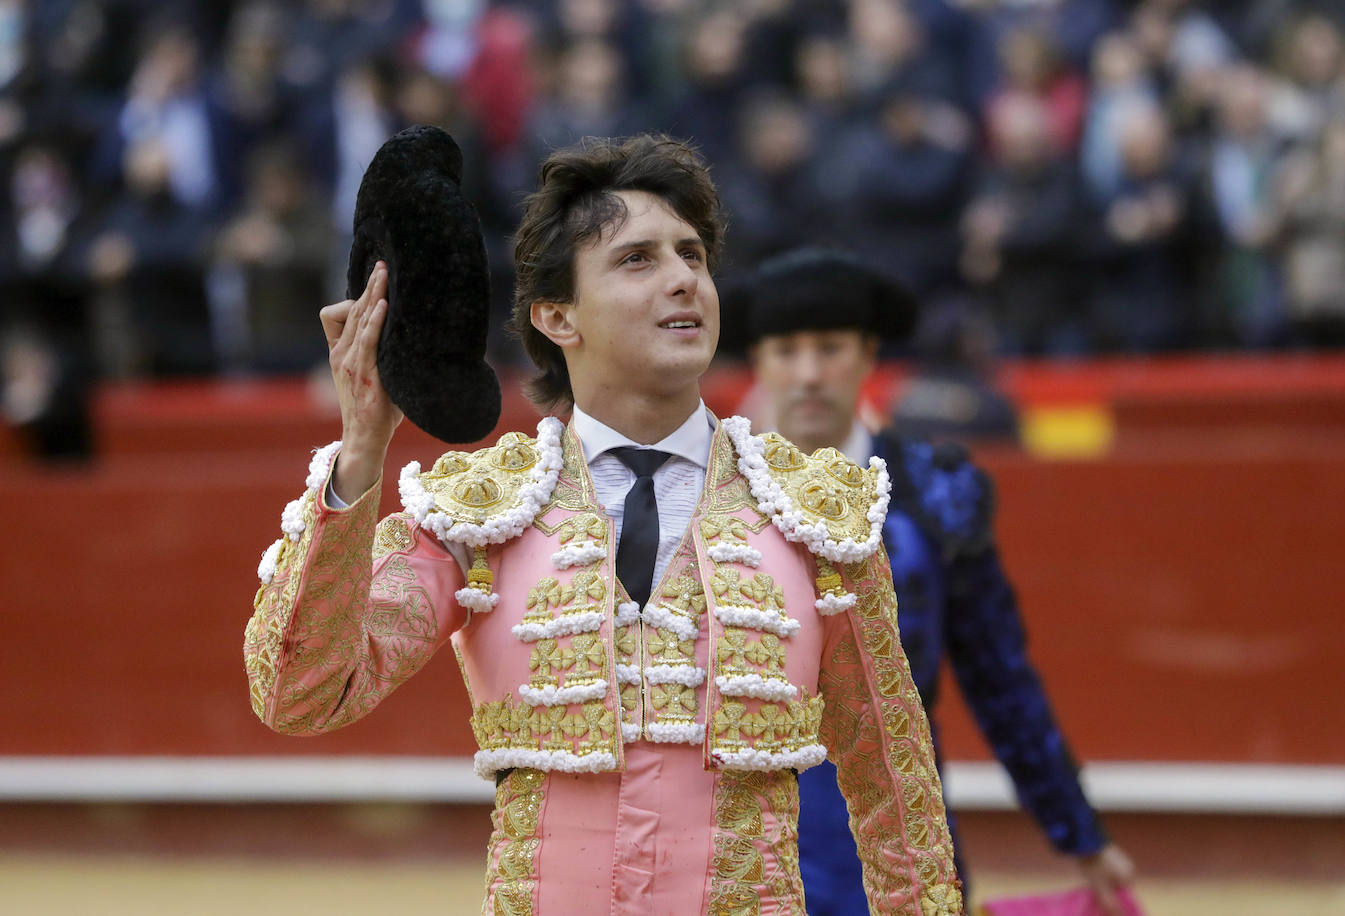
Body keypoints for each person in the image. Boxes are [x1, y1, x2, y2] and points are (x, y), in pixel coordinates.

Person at [243, 135, 964, 915]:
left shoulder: (813, 514)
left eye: (692, 255)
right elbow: (300, 693)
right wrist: (361, 451)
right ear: (558, 316)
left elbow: (895, 788)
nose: (685, 279)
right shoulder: (479, 515)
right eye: (638, 260)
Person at [722, 247, 1135, 915]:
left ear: (866, 355)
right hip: (739, 833)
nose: (807, 374)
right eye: (787, 350)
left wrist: (1081, 837)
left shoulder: (934, 493)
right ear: (760, 362)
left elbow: (1000, 680)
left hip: (902, 826)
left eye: (829, 348)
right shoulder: (711, 495)